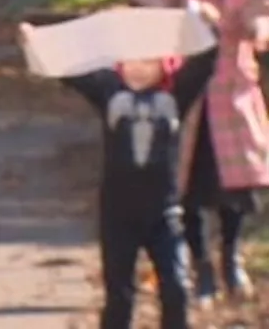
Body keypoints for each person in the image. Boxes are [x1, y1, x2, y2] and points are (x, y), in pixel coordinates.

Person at [19, 17, 218, 329]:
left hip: (164, 213)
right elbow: (72, 70)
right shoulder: (110, 91)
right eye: (130, 60)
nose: (138, 67)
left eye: (147, 59)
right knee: (119, 295)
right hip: (118, 215)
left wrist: (207, 22)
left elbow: (207, 58)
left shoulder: (177, 95)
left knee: (176, 288)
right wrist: (37, 42)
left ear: (164, 62)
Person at [128, 0, 270, 306]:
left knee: (236, 182)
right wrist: (149, 1)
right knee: (186, 182)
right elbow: (164, 19)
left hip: (234, 85)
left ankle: (230, 258)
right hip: (189, 87)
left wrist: (256, 25)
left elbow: (263, 20)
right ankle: (201, 266)